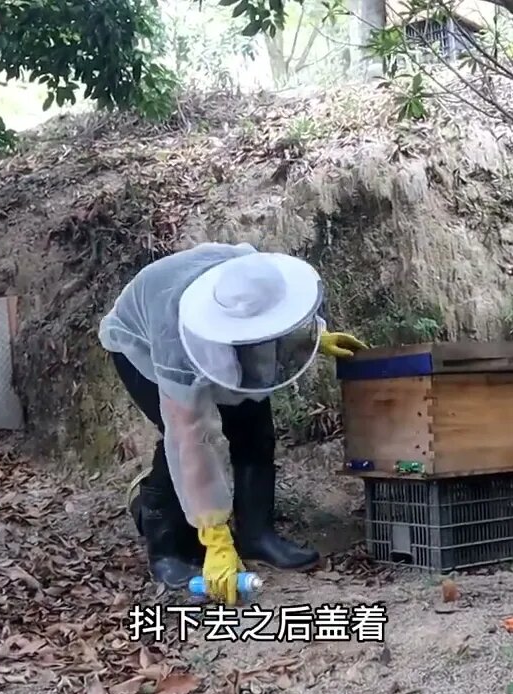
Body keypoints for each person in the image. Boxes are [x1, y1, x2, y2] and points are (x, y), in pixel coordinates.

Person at [97, 242, 366, 605]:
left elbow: (279, 313)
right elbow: (191, 439)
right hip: (138, 343)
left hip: (198, 315)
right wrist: (215, 537)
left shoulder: (252, 272)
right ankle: (166, 545)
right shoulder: (175, 335)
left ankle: (257, 533)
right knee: (174, 437)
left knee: (254, 427)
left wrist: (313, 338)